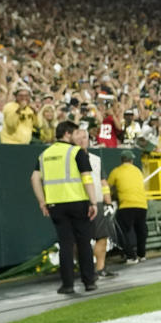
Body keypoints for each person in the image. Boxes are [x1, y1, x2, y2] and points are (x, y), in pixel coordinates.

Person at [30, 120, 98, 294]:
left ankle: (67, 285)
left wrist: (42, 201)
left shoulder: (44, 154)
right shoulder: (77, 152)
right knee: (83, 243)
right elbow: (87, 178)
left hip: (55, 204)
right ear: (68, 134)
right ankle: (89, 281)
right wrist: (93, 202)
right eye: (76, 134)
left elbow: (34, 178)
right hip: (77, 202)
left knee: (65, 244)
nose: (79, 137)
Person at [73, 127, 118, 279]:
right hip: (79, 202)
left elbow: (103, 181)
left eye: (84, 137)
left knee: (102, 237)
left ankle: (100, 268)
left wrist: (108, 202)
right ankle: (85, 268)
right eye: (78, 138)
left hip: (97, 202)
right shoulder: (70, 159)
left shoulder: (95, 159)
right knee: (80, 239)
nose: (81, 140)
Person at [108, 150, 148, 264]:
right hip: (142, 204)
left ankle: (131, 256)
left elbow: (108, 187)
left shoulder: (116, 171)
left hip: (126, 204)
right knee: (141, 230)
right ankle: (142, 254)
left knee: (121, 230)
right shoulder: (138, 171)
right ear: (131, 160)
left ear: (121, 160)